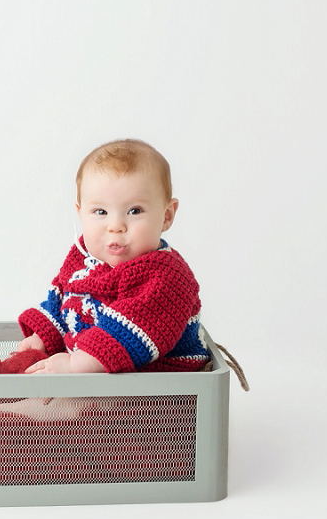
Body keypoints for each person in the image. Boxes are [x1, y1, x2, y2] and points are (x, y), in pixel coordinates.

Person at [16, 138, 210, 374]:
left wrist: (73, 364)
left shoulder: (166, 276)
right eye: (100, 211)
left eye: (134, 211)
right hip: (92, 369)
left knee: (80, 402)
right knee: (27, 365)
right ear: (81, 213)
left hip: (155, 382)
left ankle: (39, 408)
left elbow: (129, 334)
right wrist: (42, 338)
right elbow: (64, 302)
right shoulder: (85, 256)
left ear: (166, 216)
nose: (116, 226)